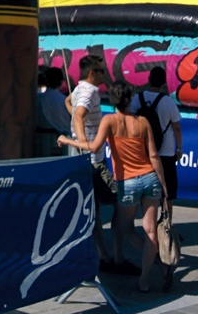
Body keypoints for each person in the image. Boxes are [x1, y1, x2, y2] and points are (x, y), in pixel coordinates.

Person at [60, 81, 170, 292]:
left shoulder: (109, 121)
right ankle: (146, 279)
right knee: (151, 231)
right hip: (150, 178)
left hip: (128, 182)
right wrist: (163, 185)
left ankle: (158, 265)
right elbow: (154, 156)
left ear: (112, 100)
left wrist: (68, 141)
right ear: (130, 99)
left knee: (126, 228)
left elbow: (94, 147)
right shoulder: (143, 121)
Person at [68, 55, 136, 275]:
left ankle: (104, 255)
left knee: (95, 210)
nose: (104, 75)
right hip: (95, 162)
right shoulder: (90, 91)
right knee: (121, 203)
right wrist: (84, 143)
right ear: (91, 73)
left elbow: (70, 105)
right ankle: (118, 257)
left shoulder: (78, 89)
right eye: (101, 71)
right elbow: (79, 115)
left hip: (85, 162)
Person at [131, 67, 182, 200]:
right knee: (168, 189)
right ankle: (167, 212)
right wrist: (179, 148)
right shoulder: (168, 101)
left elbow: (130, 120)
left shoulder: (137, 98)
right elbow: (177, 128)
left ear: (149, 79)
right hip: (165, 151)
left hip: (143, 150)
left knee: (144, 188)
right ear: (164, 83)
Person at [35, 66, 69, 155]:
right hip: (60, 140)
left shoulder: (37, 99)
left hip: (39, 140)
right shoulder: (64, 100)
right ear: (61, 82)